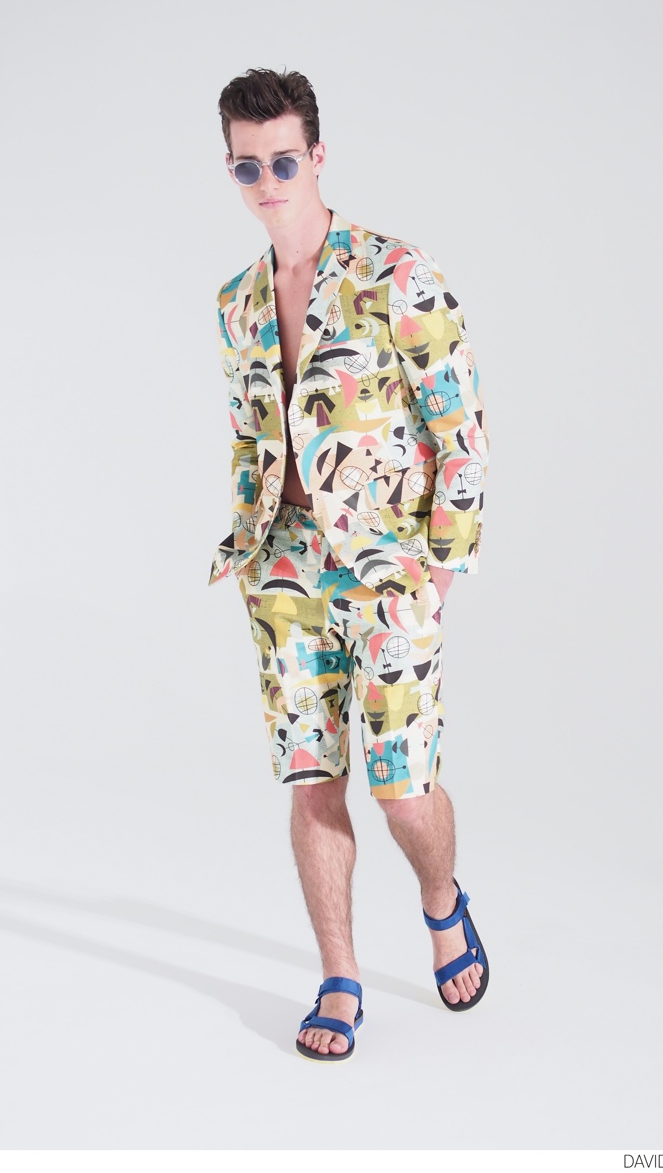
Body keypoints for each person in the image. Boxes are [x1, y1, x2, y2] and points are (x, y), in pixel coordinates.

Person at [209, 67, 490, 1061]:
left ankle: (442, 898)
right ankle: (339, 976)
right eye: (247, 166)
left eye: (283, 161)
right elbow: (252, 441)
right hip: (282, 572)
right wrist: (251, 551)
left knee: (402, 789)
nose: (267, 182)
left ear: (318, 156)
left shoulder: (396, 273)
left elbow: (461, 433)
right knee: (312, 783)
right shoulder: (237, 304)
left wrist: (438, 575)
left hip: (389, 571)